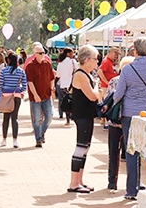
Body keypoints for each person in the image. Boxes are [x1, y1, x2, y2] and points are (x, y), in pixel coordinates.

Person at [114, 36, 146, 200]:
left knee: (132, 150)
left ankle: (132, 189)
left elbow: (118, 94)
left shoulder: (127, 70)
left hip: (130, 114)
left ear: (134, 51)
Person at [67, 45, 99, 194]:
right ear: (87, 60)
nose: (97, 62)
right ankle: (74, 182)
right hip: (82, 115)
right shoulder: (80, 74)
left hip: (86, 115)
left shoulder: (86, 74)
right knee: (80, 147)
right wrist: (98, 86)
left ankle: (79, 180)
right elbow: (93, 96)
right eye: (95, 59)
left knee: (85, 147)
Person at [106, 56, 135, 191]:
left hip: (115, 122)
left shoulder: (114, 81)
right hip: (131, 122)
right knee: (133, 153)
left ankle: (112, 182)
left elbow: (109, 100)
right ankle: (134, 182)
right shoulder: (136, 82)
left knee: (113, 153)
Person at [26, 44, 55, 148]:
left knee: (50, 116)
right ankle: (38, 139)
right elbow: (30, 82)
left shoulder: (47, 64)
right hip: (35, 97)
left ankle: (41, 132)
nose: (43, 55)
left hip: (46, 95)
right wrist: (35, 95)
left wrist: (52, 87)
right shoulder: (30, 66)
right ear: (35, 54)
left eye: (43, 52)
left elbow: (52, 78)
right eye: (40, 53)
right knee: (37, 119)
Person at [0, 52, 27, 148]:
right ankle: (15, 140)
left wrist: (3, 91)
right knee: (15, 118)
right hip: (16, 96)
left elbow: (0, 84)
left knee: (6, 118)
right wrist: (19, 91)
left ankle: (4, 139)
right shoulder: (21, 71)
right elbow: (24, 85)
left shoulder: (4, 71)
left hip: (6, 96)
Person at [97, 47, 120, 126]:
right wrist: (107, 82)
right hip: (107, 87)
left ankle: (104, 121)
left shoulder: (110, 62)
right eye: (115, 53)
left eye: (117, 54)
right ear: (110, 52)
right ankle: (106, 122)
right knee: (108, 104)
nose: (116, 56)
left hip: (109, 86)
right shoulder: (106, 61)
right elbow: (100, 72)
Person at [56, 47, 77, 125]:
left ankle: (67, 119)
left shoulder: (60, 64)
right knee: (74, 101)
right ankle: (73, 117)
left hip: (63, 85)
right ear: (68, 54)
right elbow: (77, 70)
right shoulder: (73, 62)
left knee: (66, 101)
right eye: (72, 53)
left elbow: (58, 75)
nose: (73, 54)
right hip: (72, 84)